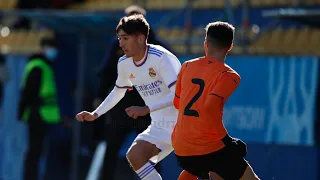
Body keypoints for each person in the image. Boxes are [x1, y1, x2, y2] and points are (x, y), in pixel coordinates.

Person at [76, 14, 181, 180]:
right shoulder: (124, 63)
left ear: (140, 38)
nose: (120, 43)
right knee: (135, 155)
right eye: (119, 38)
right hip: (159, 124)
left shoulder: (162, 58)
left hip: (182, 122)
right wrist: (95, 113)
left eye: (125, 38)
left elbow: (179, 95)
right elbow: (118, 91)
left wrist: (146, 109)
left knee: (204, 168)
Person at [172, 21, 260, 180]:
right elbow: (210, 107)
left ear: (206, 43)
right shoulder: (229, 76)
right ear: (230, 46)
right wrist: (228, 141)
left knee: (203, 168)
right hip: (207, 148)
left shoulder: (186, 66)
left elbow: (177, 104)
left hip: (181, 148)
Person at [18, 37, 61, 180]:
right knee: (34, 151)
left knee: (37, 151)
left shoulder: (45, 65)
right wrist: (22, 110)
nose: (53, 51)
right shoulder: (38, 66)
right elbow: (28, 92)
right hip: (37, 114)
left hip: (42, 114)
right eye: (50, 47)